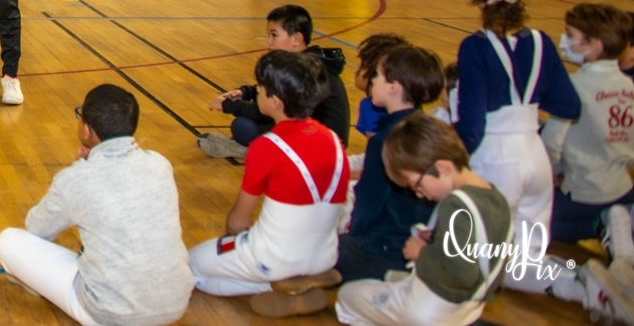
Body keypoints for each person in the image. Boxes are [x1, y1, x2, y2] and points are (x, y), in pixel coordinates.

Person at [0, 84, 193, 326]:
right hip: (175, 304)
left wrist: (77, 170)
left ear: (87, 130)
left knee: (8, 240)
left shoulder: (77, 178)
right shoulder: (160, 164)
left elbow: (36, 229)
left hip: (111, 314)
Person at [187, 50, 347, 318]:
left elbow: (238, 223)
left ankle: (269, 284)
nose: (258, 93)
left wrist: (233, 247)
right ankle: (290, 285)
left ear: (275, 101)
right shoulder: (333, 139)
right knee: (223, 264)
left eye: (260, 89)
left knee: (190, 266)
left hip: (273, 257)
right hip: (325, 255)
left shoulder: (267, 146)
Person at [452, 0, 578, 283]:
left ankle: (578, 285)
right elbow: (569, 105)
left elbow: (473, 125)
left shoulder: (475, 47)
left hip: (496, 157)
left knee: (476, 260)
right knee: (528, 259)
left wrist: (452, 158)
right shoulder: (541, 42)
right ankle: (577, 284)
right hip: (535, 156)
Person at [333, 112, 511, 325]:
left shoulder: (455, 204)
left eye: (416, 184)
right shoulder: (496, 197)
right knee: (390, 279)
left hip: (431, 310)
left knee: (348, 296)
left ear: (443, 167)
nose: (418, 194)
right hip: (468, 309)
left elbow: (461, 274)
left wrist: (421, 252)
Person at [336, 44, 443, 283]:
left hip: (382, 248)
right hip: (415, 242)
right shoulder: (427, 127)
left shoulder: (386, 140)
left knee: (314, 246)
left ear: (394, 86)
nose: (373, 80)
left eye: (377, 75)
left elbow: (367, 205)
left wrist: (352, 238)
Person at [200, 4, 350, 161]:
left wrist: (227, 105)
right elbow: (274, 90)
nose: (269, 42)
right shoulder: (304, 61)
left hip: (322, 146)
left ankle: (252, 150)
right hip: (312, 132)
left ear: (296, 39)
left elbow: (269, 108)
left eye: (274, 35)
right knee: (246, 123)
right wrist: (244, 93)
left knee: (243, 127)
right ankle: (254, 147)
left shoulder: (304, 69)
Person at [543, 3, 634, 242]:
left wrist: (551, 173)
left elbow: (551, 143)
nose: (564, 40)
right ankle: (623, 220)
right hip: (623, 189)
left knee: (525, 222)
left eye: (570, 35)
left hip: (583, 192)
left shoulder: (572, 87)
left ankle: (599, 226)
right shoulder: (629, 86)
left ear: (595, 45)